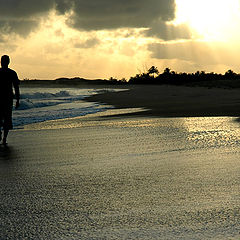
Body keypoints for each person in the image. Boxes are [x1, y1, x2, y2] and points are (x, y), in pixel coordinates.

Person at [0, 55, 20, 145]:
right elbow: (16, 87)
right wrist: (18, 100)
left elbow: (16, 87)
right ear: (9, 62)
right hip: (8, 98)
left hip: (3, 98)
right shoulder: (12, 73)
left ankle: (2, 136)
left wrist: (17, 100)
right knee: (7, 118)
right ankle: (4, 138)